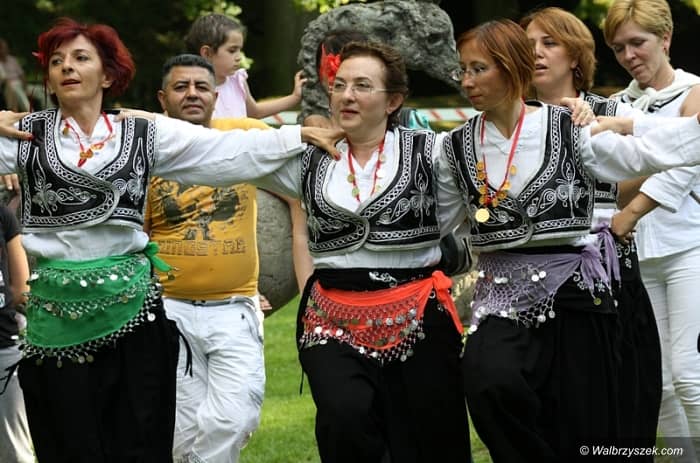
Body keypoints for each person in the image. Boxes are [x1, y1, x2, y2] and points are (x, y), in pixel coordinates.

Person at [0, 17, 340, 463]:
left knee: (141, 442)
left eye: (81, 58)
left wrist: (296, 136)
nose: (67, 67)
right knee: (70, 444)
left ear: (107, 75)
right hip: (55, 320)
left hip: (133, 316)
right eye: (57, 61)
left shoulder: (142, 133)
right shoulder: (24, 136)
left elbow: (222, 151)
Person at [441, 19, 700, 462]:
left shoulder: (573, 125)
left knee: (596, 421)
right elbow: (433, 219)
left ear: (510, 68)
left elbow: (651, 155)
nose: (466, 81)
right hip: (501, 295)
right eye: (462, 70)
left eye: (478, 69)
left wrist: (632, 130)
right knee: (489, 382)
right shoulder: (454, 146)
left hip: (582, 293)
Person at [520, 6, 662, 456]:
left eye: (549, 43)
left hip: (608, 273)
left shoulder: (611, 111)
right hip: (531, 282)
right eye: (528, 45)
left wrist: (613, 207)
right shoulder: (510, 118)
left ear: (575, 54)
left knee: (616, 404)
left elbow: (652, 165)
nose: (537, 53)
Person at [144, 53, 267, 463]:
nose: (192, 94)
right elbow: (137, 235)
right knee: (180, 430)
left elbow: (305, 148)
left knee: (235, 418)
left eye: (201, 87)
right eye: (181, 87)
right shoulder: (146, 154)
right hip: (169, 309)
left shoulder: (246, 135)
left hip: (235, 306)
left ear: (216, 95)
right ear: (163, 98)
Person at [604, 1, 700, 458]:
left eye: (637, 43)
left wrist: (632, 210)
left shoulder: (694, 91)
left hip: (689, 247)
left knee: (688, 375)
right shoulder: (615, 105)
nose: (628, 55)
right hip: (640, 255)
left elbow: (683, 167)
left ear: (665, 38)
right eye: (618, 47)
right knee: (658, 385)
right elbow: (612, 181)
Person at [185, 13, 305, 120]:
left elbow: (254, 112)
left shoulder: (237, 81)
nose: (239, 57)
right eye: (232, 51)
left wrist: (294, 97)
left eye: (240, 50)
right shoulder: (189, 91)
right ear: (207, 53)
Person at [0, 203, 32, 463]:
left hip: (5, 344)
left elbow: (22, 289)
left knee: (15, 450)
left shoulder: (4, 214)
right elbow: (22, 290)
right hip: (5, 343)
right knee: (14, 450)